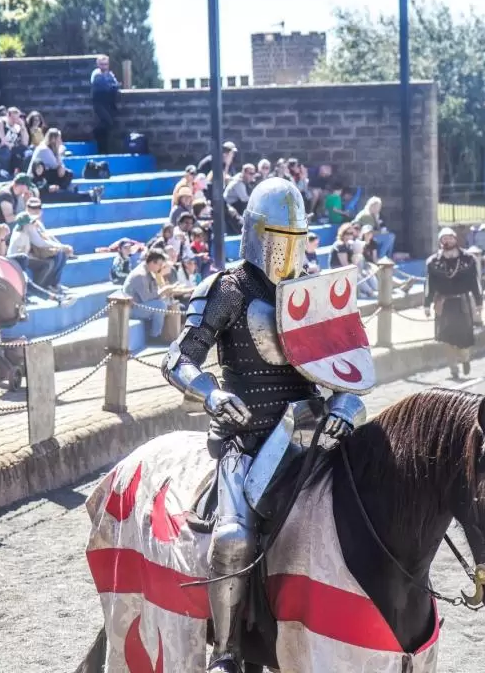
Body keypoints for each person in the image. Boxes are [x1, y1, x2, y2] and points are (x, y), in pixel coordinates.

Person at [160, 177, 369, 673]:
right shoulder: (228, 287)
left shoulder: (313, 292)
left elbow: (349, 372)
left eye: (294, 239)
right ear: (254, 231)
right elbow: (177, 359)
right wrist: (212, 392)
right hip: (249, 437)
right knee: (232, 539)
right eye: (277, 236)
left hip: (312, 431)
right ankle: (226, 652)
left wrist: (345, 408)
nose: (285, 249)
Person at [423, 227, 484, 380]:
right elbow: (429, 285)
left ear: (455, 239)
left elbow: (475, 282)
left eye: (450, 237)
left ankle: (464, 358)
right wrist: (426, 304)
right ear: (440, 241)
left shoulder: (468, 260)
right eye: (444, 238)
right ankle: (453, 369)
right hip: (443, 304)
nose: (447, 241)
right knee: (447, 339)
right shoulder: (433, 262)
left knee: (464, 340)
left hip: (462, 303)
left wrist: (478, 302)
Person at [7, 198, 72, 295]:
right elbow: (39, 243)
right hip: (19, 258)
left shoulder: (33, 224)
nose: (36, 210)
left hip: (27, 255)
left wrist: (61, 247)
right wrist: (62, 247)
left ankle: (53, 284)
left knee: (59, 255)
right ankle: (40, 288)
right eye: (33, 208)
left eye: (38, 208)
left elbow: (47, 237)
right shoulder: (26, 226)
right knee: (48, 264)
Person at [123, 249, 173, 339]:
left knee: (164, 302)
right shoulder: (140, 275)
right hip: (131, 309)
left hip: (140, 305)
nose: (160, 267)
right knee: (160, 305)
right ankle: (154, 336)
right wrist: (163, 290)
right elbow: (146, 298)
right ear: (152, 263)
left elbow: (153, 292)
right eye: (159, 265)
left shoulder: (148, 272)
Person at [90, 55, 119, 154]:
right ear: (98, 64)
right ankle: (95, 133)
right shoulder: (96, 74)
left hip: (108, 104)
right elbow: (103, 86)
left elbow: (115, 86)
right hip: (99, 103)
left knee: (108, 127)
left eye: (106, 64)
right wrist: (111, 86)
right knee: (108, 122)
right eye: (102, 64)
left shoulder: (110, 74)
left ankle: (103, 148)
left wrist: (112, 86)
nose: (104, 66)